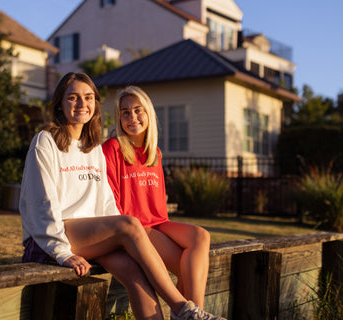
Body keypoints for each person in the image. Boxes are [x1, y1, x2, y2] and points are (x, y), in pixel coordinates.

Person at [19, 72, 215, 320]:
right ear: (59, 103)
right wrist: (61, 252)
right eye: (73, 98)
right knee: (129, 223)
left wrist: (117, 234)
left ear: (96, 104)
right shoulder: (45, 141)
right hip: (52, 237)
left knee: (136, 275)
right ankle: (184, 310)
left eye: (88, 97)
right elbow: (40, 203)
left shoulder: (92, 148)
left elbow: (105, 202)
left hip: (92, 236)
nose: (82, 104)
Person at [102, 85, 223, 320]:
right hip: (134, 227)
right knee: (184, 268)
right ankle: (193, 315)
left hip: (158, 221)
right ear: (119, 118)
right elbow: (112, 201)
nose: (132, 117)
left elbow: (157, 205)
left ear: (148, 113)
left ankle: (192, 312)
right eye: (125, 112)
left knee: (201, 236)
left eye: (138, 110)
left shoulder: (154, 153)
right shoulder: (113, 148)